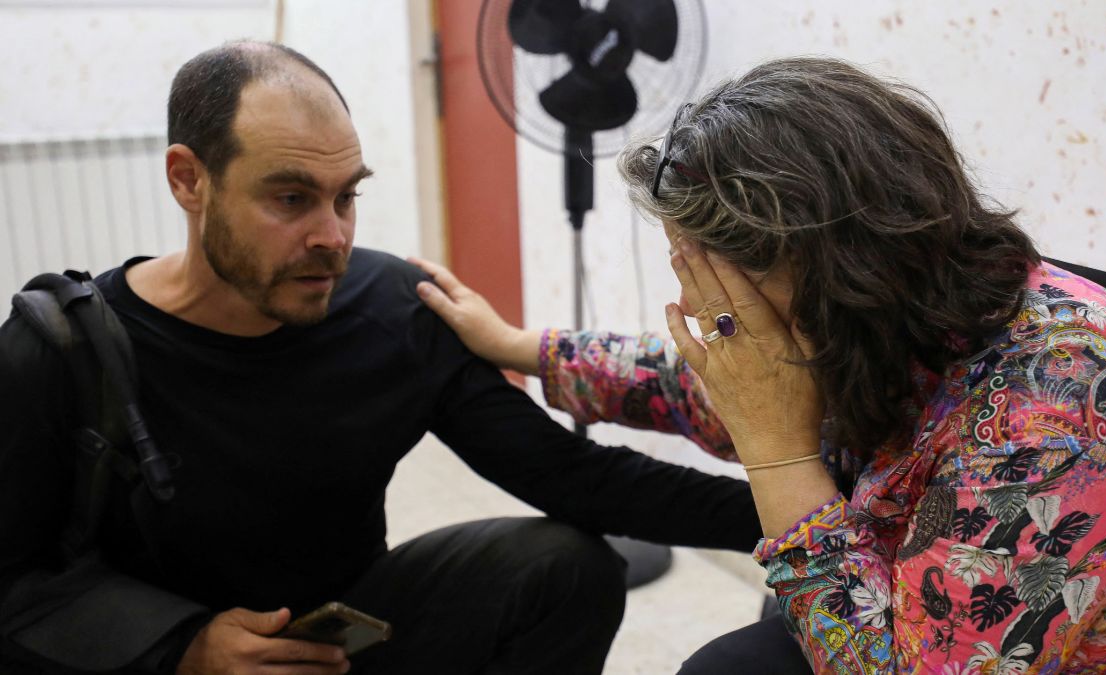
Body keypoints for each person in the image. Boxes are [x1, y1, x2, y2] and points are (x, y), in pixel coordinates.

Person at [412, 57, 1106, 673]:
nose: (697, 305)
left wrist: (779, 454)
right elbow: (708, 379)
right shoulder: (885, 313)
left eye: (707, 279)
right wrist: (525, 347)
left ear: (826, 264)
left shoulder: (1063, 404)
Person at [0, 41, 765, 674]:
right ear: (188, 179)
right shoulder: (63, 348)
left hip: (343, 638)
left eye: (346, 197)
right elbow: (16, 587)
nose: (332, 236)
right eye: (291, 199)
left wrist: (798, 515)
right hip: (159, 653)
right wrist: (183, 645)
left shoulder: (393, 310)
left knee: (565, 568)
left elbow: (574, 478)